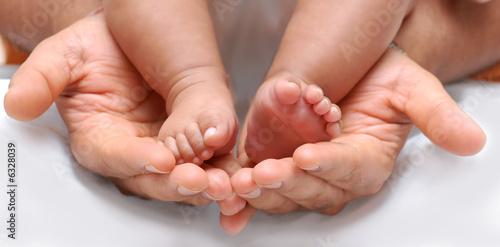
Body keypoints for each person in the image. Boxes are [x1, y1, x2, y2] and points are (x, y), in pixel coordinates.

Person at [0, 0, 495, 234]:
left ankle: (293, 86)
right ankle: (193, 82)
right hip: (147, 38)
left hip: (351, 39)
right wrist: (79, 16)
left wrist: (420, 41)